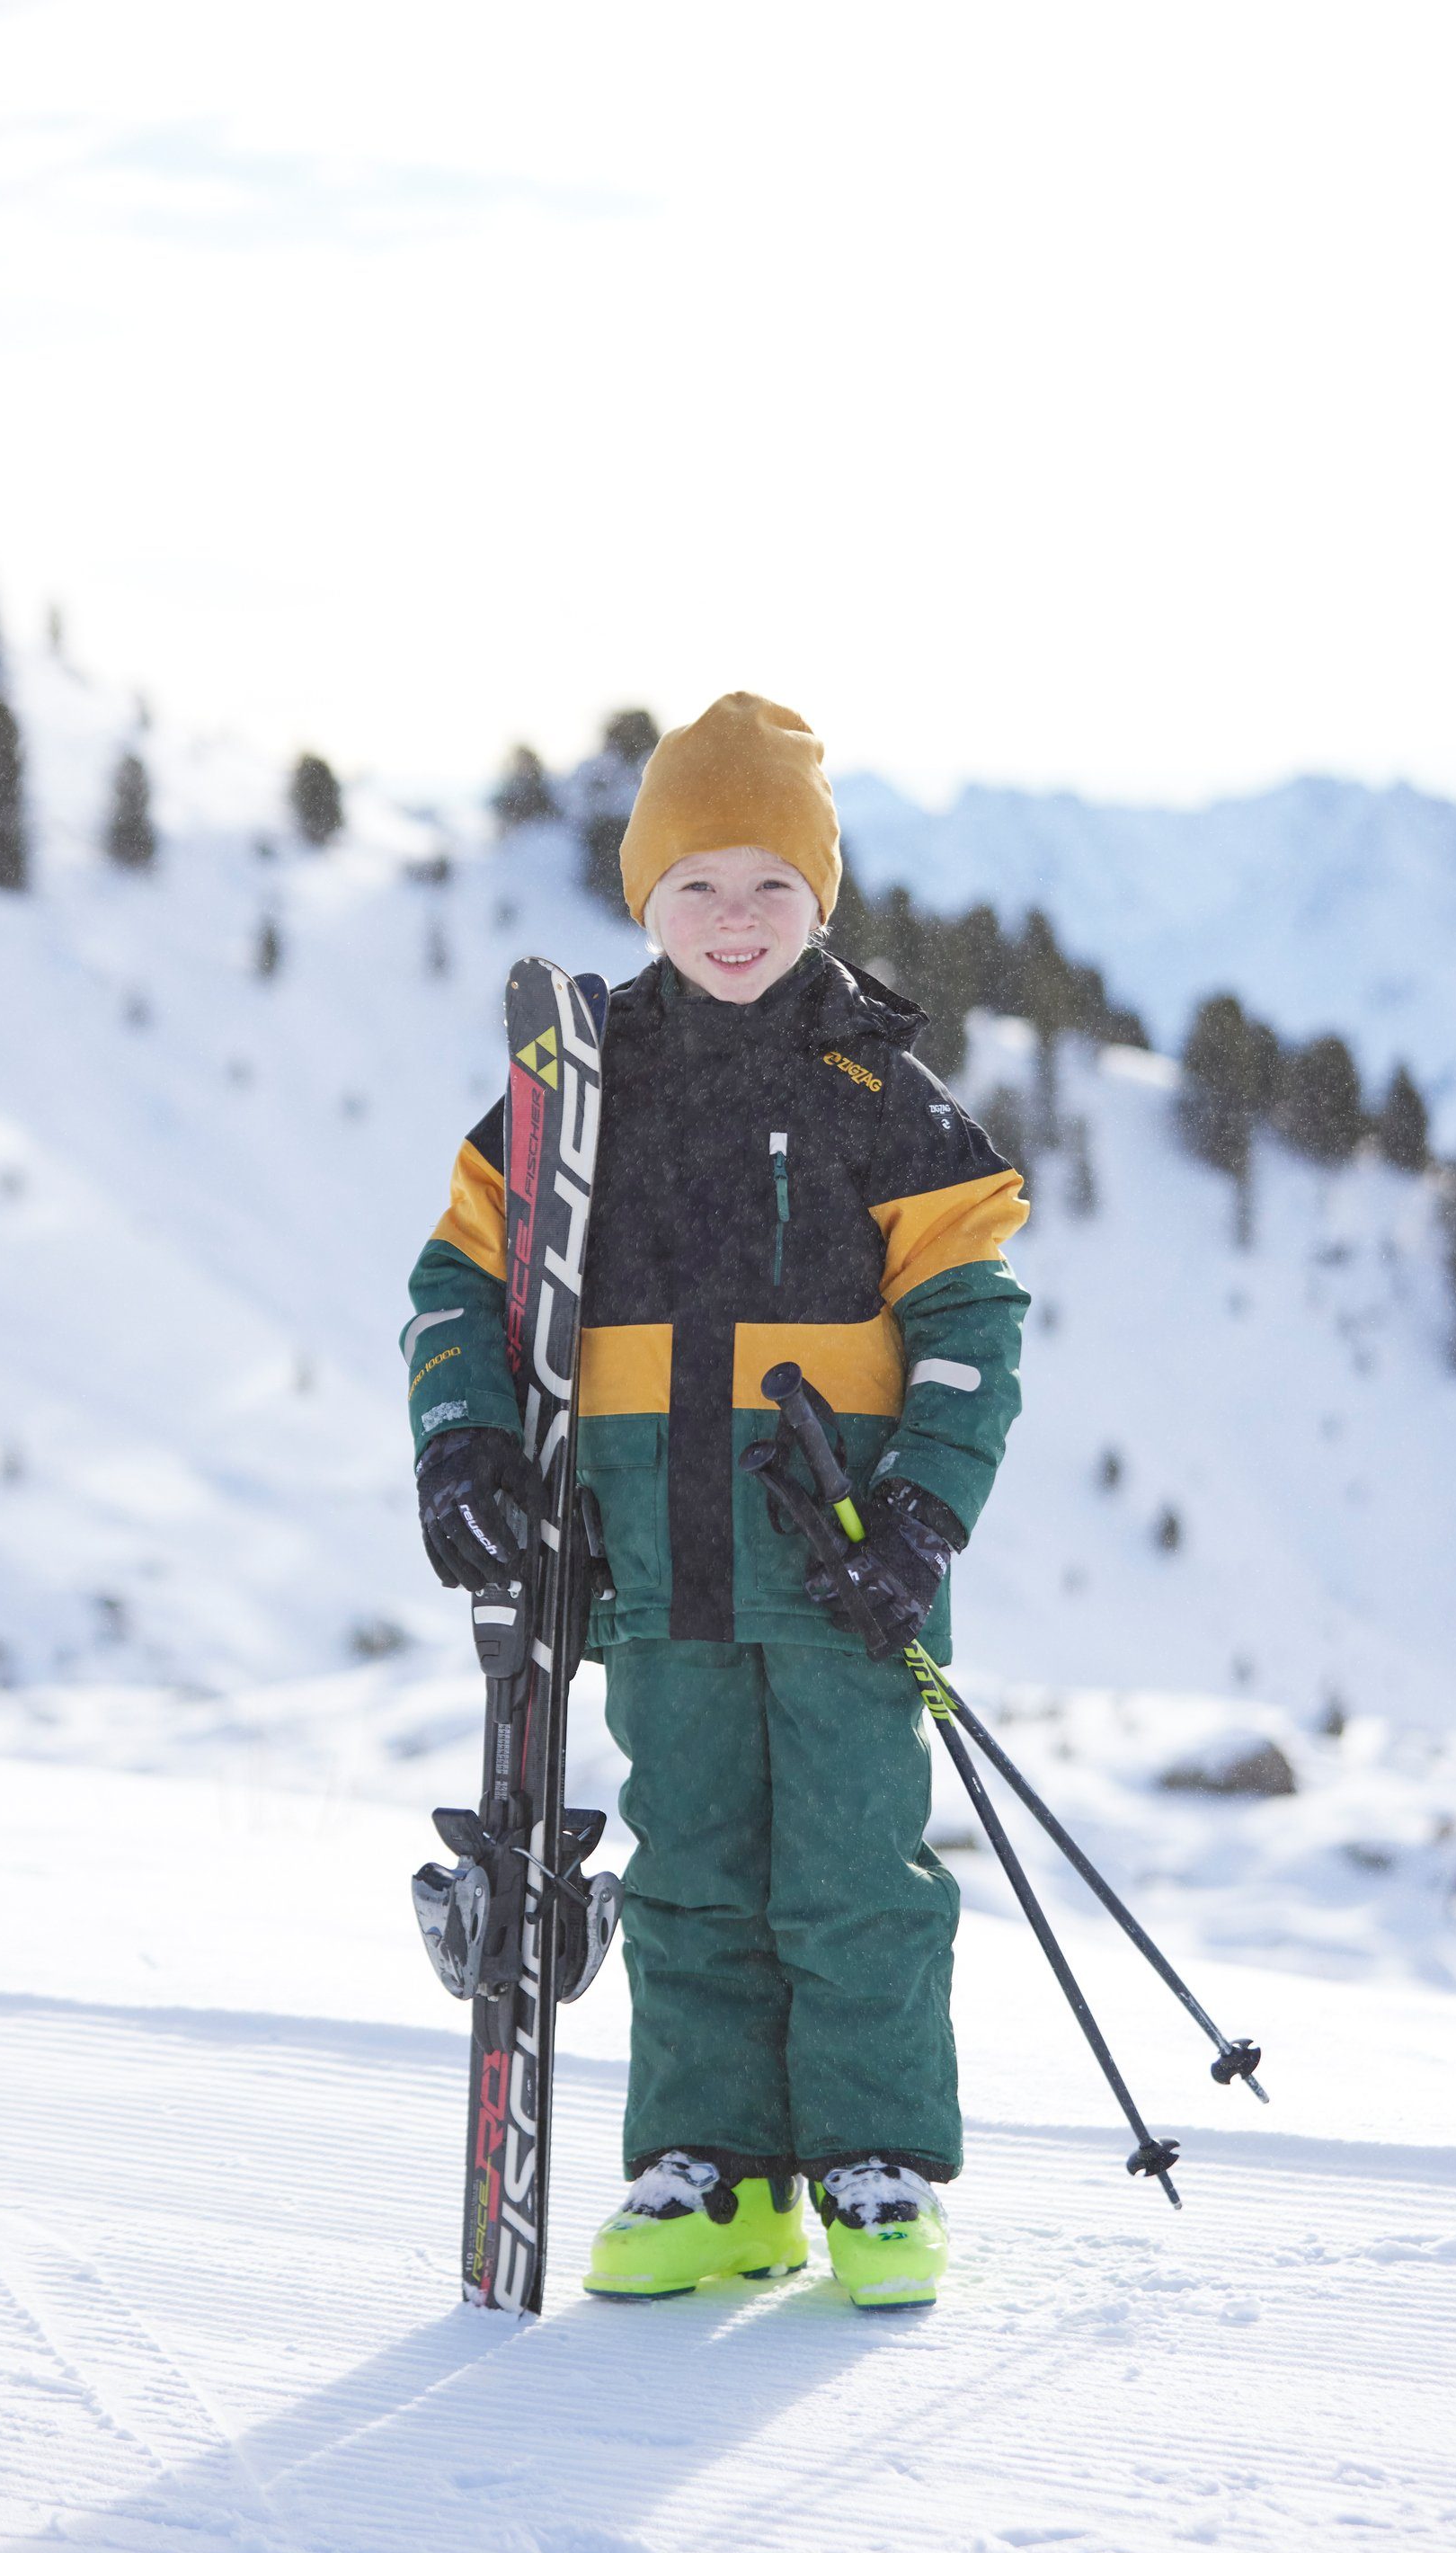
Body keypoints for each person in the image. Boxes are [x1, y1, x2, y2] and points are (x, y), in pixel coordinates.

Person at [404, 692, 1029, 2308]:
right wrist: (464, 1441)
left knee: (850, 1867)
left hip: (839, 1567)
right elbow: (460, 1282)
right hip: (655, 1560)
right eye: (698, 884)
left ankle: (876, 2167)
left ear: (821, 898)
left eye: (771, 885)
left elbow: (971, 1324)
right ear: (644, 897)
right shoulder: (577, 1086)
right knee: (687, 1865)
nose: (735, 920)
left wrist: (926, 1518)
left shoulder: (874, 1090)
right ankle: (718, 2171)